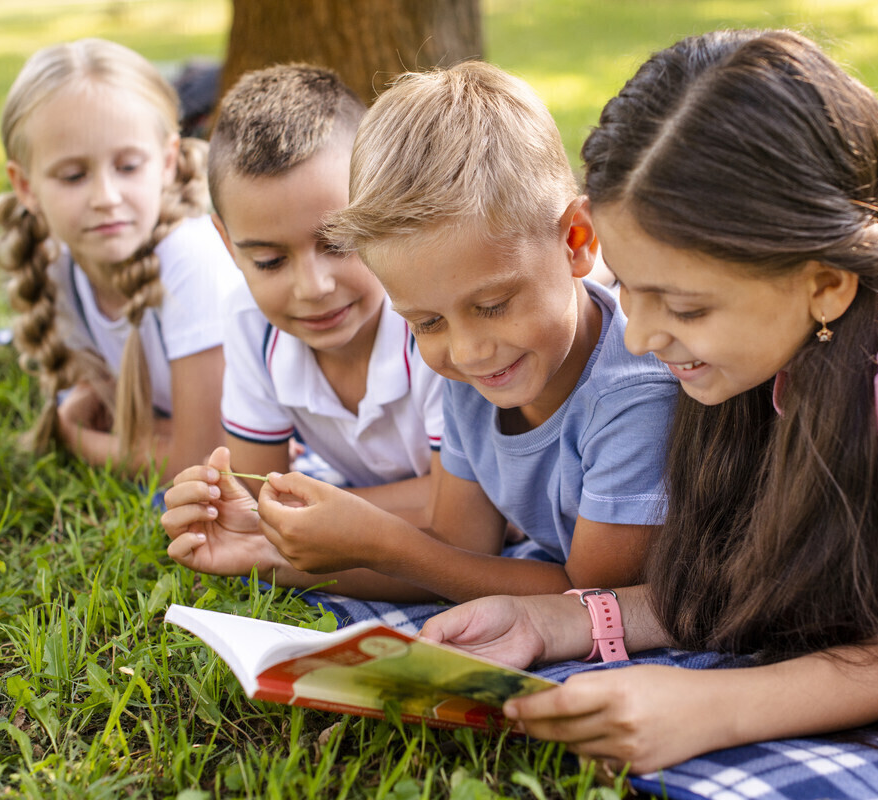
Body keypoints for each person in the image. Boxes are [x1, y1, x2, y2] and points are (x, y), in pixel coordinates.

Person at [419, 29, 878, 773]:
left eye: (682, 306)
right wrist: (548, 622)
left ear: (825, 283)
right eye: (629, 289)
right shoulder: (750, 355)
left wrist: (706, 707)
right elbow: (733, 585)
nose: (641, 337)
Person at [167, 61, 677, 602]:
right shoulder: (471, 377)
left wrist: (385, 543)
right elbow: (459, 555)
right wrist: (268, 557)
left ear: (576, 239)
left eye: (493, 304)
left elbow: (589, 598)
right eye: (427, 322)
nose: (466, 350)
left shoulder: (632, 397)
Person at [159, 65, 447, 599]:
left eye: (337, 242)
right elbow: (258, 502)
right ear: (226, 244)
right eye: (269, 261)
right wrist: (244, 511)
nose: (313, 287)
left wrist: (296, 511)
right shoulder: (250, 324)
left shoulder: (432, 321)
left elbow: (461, 519)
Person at [0, 38, 239, 482]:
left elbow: (203, 461)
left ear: (166, 162)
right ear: (25, 186)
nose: (106, 198)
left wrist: (76, 436)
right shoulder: (60, 267)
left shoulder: (189, 259)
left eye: (127, 167)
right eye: (73, 175)